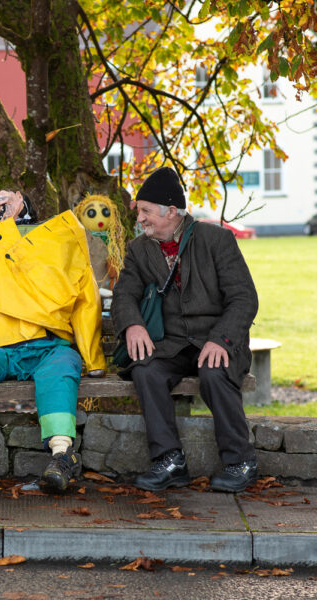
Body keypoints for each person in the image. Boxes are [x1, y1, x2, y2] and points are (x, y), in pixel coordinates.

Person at [0, 189, 106, 492]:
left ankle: (62, 455)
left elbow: (86, 298)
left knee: (59, 372)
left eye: (5, 201)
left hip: (50, 345)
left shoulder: (58, 238)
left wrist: (92, 358)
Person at [111, 166, 259, 493]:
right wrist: (133, 325)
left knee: (214, 372)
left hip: (216, 339)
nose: (141, 219)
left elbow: (243, 297)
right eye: (141, 212)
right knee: (146, 371)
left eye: (147, 212)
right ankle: (170, 461)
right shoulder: (139, 249)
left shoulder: (216, 239)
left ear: (173, 212)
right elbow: (124, 295)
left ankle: (242, 462)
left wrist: (222, 340)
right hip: (171, 344)